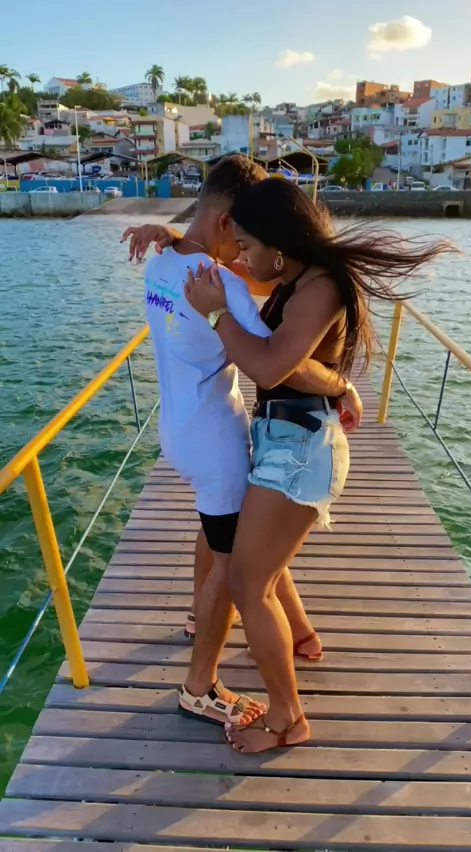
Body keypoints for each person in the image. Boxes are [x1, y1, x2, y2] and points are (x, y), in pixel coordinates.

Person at [184, 177, 452, 753]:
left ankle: (288, 719)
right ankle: (302, 637)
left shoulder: (320, 286)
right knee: (259, 564)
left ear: (278, 243)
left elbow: (270, 366)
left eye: (248, 244)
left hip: (301, 450)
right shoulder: (295, 277)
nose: (243, 257)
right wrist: (340, 385)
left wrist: (216, 316)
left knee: (247, 583)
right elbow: (293, 359)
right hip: (285, 439)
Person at [124, 156, 363, 726]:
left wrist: (174, 235)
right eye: (245, 238)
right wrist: (344, 385)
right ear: (230, 222)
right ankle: (200, 688)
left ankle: (292, 631)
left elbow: (216, 263)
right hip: (216, 436)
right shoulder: (224, 285)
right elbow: (279, 362)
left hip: (177, 428)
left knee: (235, 538)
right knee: (234, 568)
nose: (247, 253)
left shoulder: (161, 262)